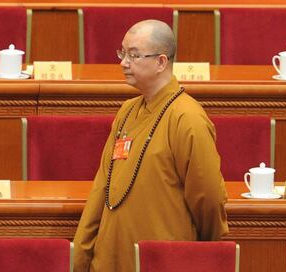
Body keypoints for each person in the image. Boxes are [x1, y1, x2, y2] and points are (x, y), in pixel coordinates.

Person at [73, 19, 228, 272]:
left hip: (164, 261)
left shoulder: (187, 118)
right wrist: (82, 255)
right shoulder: (127, 112)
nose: (123, 62)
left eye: (133, 55)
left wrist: (201, 252)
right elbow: (102, 188)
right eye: (122, 53)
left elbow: (208, 199)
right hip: (111, 257)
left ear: (161, 62)